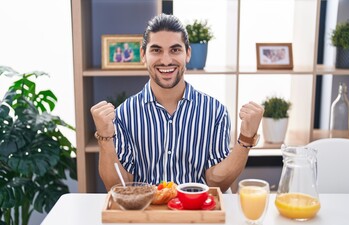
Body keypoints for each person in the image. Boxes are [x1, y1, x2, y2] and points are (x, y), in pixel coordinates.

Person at [90, 14, 264, 192]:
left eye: (175, 50)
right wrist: (105, 137)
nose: (166, 60)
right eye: (156, 50)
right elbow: (119, 186)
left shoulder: (215, 112)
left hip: (198, 213)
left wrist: (246, 137)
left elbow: (216, 183)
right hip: (147, 213)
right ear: (143, 55)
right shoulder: (124, 114)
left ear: (187, 53)